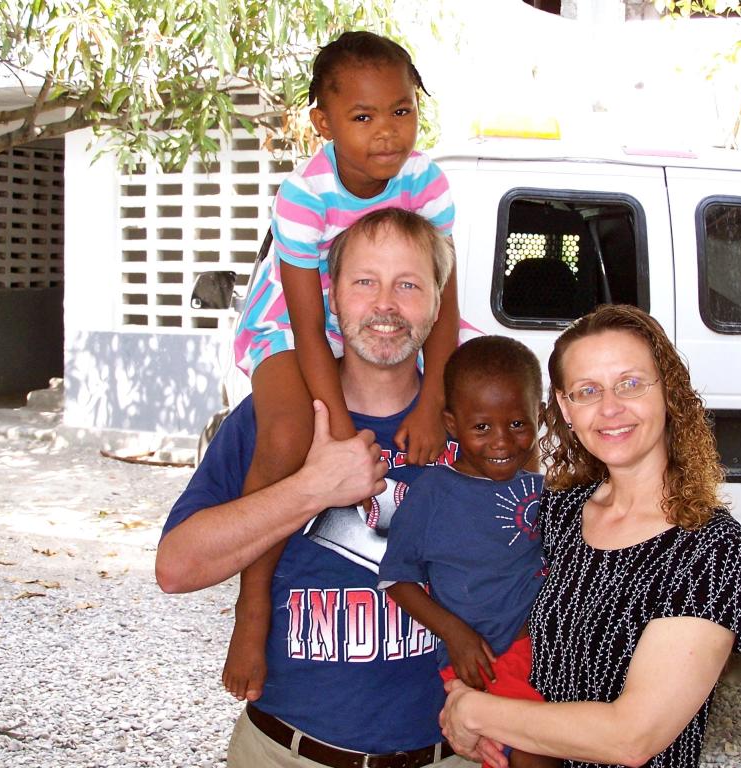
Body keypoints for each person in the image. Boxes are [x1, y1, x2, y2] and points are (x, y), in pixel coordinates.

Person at [156, 209, 473, 768]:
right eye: (364, 282)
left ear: (438, 301)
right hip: (285, 751)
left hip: (449, 753)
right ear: (331, 296)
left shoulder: (478, 428)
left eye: (408, 284)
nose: (385, 305)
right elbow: (177, 568)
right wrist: (312, 488)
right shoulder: (275, 417)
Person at [226, 29, 460, 703]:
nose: (388, 132)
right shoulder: (304, 195)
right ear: (323, 124)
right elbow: (306, 326)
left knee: (477, 392)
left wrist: (428, 400)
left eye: (402, 110)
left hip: (380, 310)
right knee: (285, 436)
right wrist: (332, 431)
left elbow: (443, 301)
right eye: (362, 117)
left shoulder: (426, 181)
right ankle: (253, 603)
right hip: (294, 322)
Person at [438, 304, 741, 768]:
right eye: (587, 391)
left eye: (629, 383)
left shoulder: (710, 548)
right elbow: (490, 612)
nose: (610, 408)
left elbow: (632, 736)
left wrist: (476, 711)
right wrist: (471, 702)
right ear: (565, 408)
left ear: (667, 390)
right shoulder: (558, 513)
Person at [379, 336, 561, 768]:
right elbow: (397, 579)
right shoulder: (433, 495)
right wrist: (455, 635)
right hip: (481, 662)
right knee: (537, 755)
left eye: (518, 424)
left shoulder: (544, 490)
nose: (501, 441)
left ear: (540, 417)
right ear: (452, 423)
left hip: (546, 656)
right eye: (482, 427)